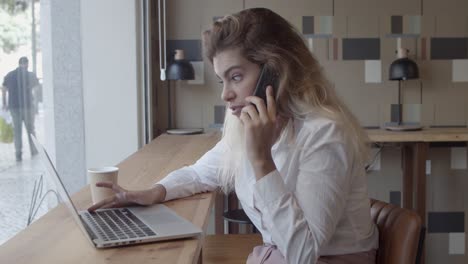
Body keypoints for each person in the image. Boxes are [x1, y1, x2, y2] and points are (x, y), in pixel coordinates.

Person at [88, 8, 378, 264]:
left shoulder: (324, 133)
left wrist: (261, 159)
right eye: (221, 80)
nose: (225, 94)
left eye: (236, 77)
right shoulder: (246, 125)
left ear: (275, 72)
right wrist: (154, 192)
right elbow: (201, 173)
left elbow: (303, 255)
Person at [2, 56, 39, 161]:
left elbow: (4, 89)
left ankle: (18, 154)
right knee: (31, 130)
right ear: (27, 64)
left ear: (19, 64)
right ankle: (34, 151)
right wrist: (35, 104)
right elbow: (36, 90)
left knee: (17, 131)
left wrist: (4, 103)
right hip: (27, 106)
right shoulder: (30, 75)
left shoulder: (9, 75)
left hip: (14, 107)